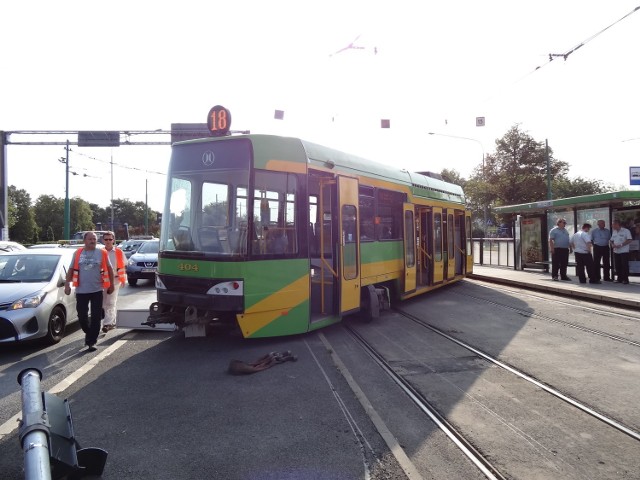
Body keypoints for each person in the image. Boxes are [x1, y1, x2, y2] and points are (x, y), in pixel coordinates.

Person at [64, 231, 114, 351]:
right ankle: (89, 332)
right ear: (84, 241)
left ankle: (92, 342)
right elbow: (71, 269)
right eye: (90, 239)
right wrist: (67, 284)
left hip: (97, 289)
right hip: (81, 290)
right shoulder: (78, 253)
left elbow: (109, 268)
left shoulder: (101, 253)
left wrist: (111, 285)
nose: (93, 241)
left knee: (96, 317)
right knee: (82, 317)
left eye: (95, 239)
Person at [101, 231, 127, 333]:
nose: (108, 241)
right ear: (103, 240)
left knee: (110, 302)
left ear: (113, 240)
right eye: (106, 239)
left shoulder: (119, 252)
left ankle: (107, 323)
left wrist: (123, 279)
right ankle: (112, 320)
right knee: (103, 303)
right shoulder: (100, 252)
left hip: (115, 280)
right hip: (102, 281)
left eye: (110, 239)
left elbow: (123, 266)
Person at [610, 220, 632, 284]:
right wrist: (612, 244)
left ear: (617, 224)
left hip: (624, 251)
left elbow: (630, 240)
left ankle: (625, 279)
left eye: (613, 224)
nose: (612, 226)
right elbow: (611, 240)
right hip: (616, 251)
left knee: (624, 265)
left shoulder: (626, 231)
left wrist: (621, 245)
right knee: (617, 265)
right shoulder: (614, 232)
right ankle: (619, 279)